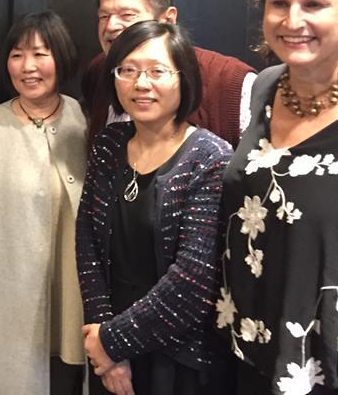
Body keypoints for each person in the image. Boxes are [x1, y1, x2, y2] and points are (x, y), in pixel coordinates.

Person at [217, 0, 338, 394]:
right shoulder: (265, 86)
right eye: (279, 3)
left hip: (332, 359)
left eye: (314, 4)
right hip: (251, 339)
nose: (293, 21)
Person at [76, 21, 234, 395]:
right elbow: (87, 240)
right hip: (108, 346)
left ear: (184, 78)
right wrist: (103, 341)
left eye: (157, 71)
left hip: (176, 354)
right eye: (128, 71)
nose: (141, 84)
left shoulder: (209, 158)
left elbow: (193, 281)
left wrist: (112, 343)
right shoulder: (110, 142)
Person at [0, 11, 87, 394]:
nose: (28, 66)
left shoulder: (83, 120)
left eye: (40, 54)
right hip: (9, 299)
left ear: (61, 57)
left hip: (75, 296)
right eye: (17, 55)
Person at [82, 0, 255, 147]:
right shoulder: (97, 71)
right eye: (104, 16)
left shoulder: (231, 82)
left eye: (127, 15)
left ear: (168, 19)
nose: (110, 26)